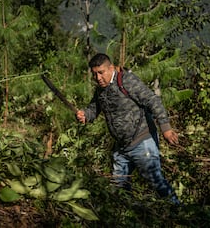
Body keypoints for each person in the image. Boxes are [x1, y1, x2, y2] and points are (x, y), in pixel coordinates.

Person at [76, 53, 180, 205]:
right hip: (122, 147)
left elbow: (153, 101)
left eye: (101, 73)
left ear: (111, 68)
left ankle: (179, 212)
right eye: (94, 74)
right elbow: (94, 108)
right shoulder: (100, 90)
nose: (98, 78)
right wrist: (85, 115)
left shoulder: (126, 81)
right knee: (119, 187)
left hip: (142, 141)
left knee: (157, 183)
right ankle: (128, 216)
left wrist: (166, 128)